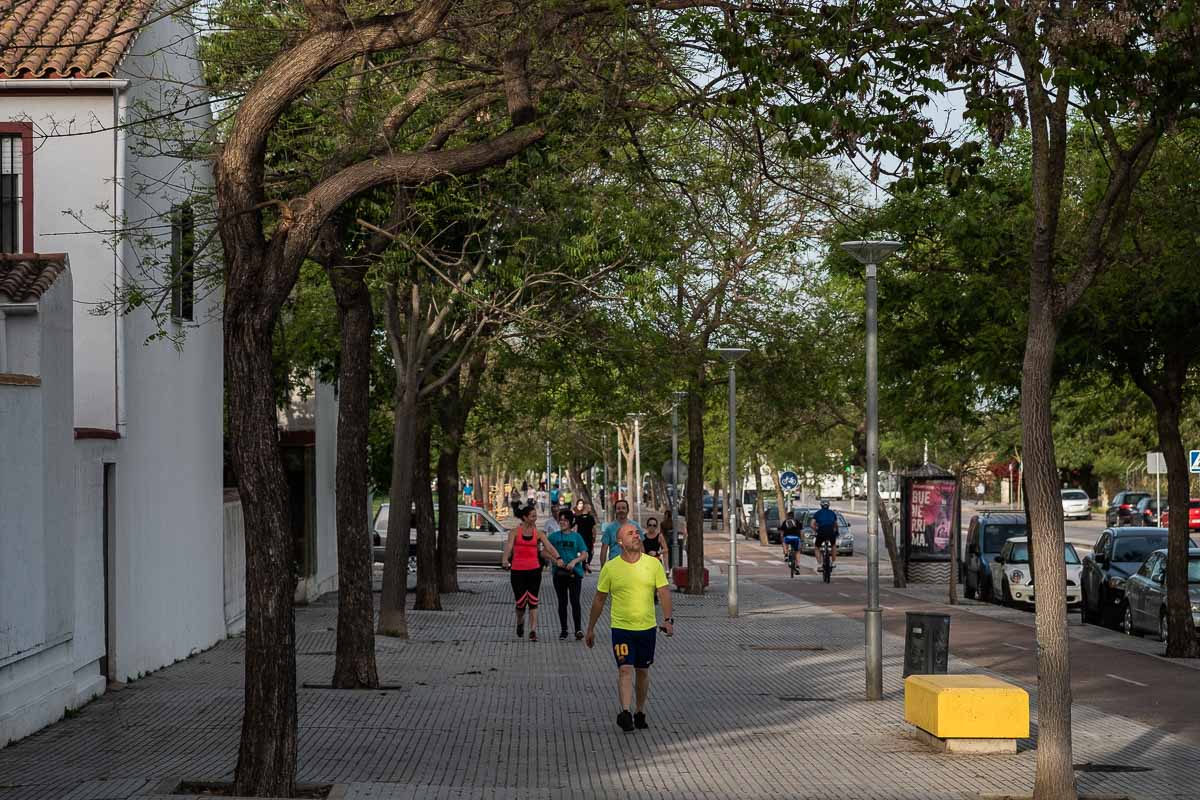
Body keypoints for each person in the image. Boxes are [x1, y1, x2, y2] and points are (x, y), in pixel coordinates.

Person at [585, 524, 673, 732]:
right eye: (630, 533)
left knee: (642, 671)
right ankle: (625, 712)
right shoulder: (611, 567)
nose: (636, 536)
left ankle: (639, 710)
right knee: (625, 669)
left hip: (647, 628)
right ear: (620, 542)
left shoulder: (653, 564)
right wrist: (590, 628)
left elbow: (664, 592)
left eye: (637, 533)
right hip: (621, 628)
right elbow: (599, 600)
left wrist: (668, 620)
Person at [503, 501, 567, 642]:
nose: (535, 518)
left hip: (534, 570)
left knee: (533, 601)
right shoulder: (514, 532)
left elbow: (549, 546)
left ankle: (533, 630)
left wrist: (558, 558)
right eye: (532, 516)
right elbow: (508, 547)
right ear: (525, 517)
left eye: (535, 516)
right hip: (517, 570)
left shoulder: (538, 534)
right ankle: (520, 622)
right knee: (520, 603)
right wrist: (505, 559)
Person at [549, 508, 589, 640]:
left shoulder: (577, 537)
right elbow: (544, 551)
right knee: (562, 602)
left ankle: (578, 629)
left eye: (565, 520)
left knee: (575, 601)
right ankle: (564, 630)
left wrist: (575, 561)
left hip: (574, 573)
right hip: (559, 574)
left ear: (570, 522)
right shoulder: (554, 537)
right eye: (560, 520)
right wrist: (555, 561)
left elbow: (584, 553)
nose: (562, 523)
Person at [599, 499, 643, 565]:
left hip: (633, 565)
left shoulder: (635, 526)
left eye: (623, 508)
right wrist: (603, 568)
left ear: (627, 510)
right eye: (618, 508)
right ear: (615, 511)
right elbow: (604, 549)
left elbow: (641, 546)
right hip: (615, 565)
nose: (621, 510)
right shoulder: (609, 528)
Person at [810, 500, 839, 572]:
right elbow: (836, 524)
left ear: (821, 506)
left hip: (821, 531)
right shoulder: (832, 513)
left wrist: (816, 531)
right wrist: (836, 532)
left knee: (817, 547)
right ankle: (833, 562)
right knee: (833, 545)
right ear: (828, 506)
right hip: (830, 531)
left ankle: (819, 565)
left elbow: (812, 524)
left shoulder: (817, 513)